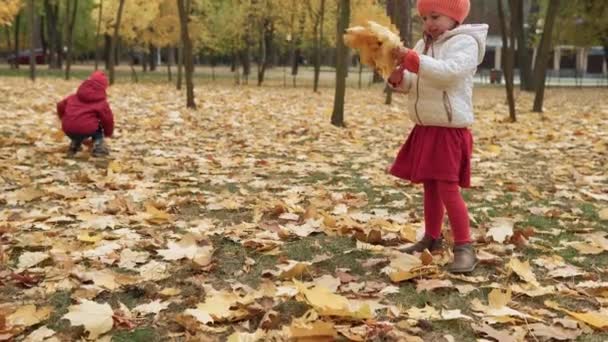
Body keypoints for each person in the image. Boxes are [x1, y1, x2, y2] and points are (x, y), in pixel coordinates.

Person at [387, 0, 488, 273]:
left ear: (454, 17)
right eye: (424, 18)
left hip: (449, 130)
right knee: (430, 185)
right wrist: (400, 79)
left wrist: (413, 60)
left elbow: (448, 75)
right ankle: (432, 238)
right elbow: (416, 82)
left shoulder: (465, 43)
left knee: (447, 188)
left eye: (435, 16)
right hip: (427, 126)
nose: (429, 23)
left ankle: (465, 246)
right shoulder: (424, 45)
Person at [57, 71, 114, 157]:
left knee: (78, 126)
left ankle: (75, 145)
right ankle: (99, 147)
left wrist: (63, 117)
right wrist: (108, 133)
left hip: (68, 128)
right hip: (86, 129)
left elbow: (60, 105)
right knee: (98, 129)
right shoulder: (101, 103)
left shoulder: (73, 97)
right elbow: (107, 120)